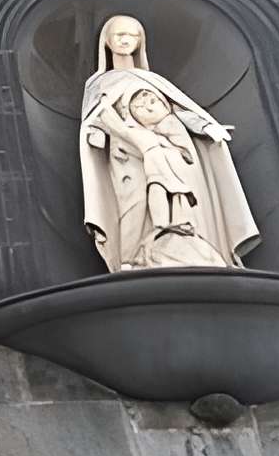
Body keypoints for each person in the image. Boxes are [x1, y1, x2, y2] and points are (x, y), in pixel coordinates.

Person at [77, 14, 259, 270]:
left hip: (168, 149)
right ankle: (130, 257)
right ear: (107, 41)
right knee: (135, 202)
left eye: (132, 35)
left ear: (140, 41)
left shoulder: (155, 81)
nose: (126, 40)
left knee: (177, 191)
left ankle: (179, 234)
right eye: (119, 34)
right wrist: (97, 135)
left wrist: (207, 127)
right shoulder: (100, 83)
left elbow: (179, 110)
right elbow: (95, 118)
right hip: (127, 154)